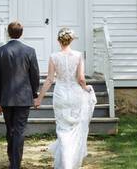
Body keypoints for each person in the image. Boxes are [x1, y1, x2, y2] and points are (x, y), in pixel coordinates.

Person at [34, 27, 96, 169]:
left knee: (62, 129)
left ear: (58, 40)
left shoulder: (54, 57)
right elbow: (81, 79)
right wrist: (86, 88)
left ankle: (65, 163)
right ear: (71, 40)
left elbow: (49, 79)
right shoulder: (79, 55)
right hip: (75, 95)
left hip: (61, 95)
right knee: (74, 129)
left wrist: (39, 98)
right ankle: (70, 163)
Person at [0, 20, 40, 169]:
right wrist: (34, 93)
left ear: (8, 33)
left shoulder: (0, 51)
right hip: (24, 98)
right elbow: (35, 75)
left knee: (10, 129)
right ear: (21, 33)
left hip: (6, 98)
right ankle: (15, 164)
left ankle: (12, 160)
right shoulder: (30, 51)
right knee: (19, 130)